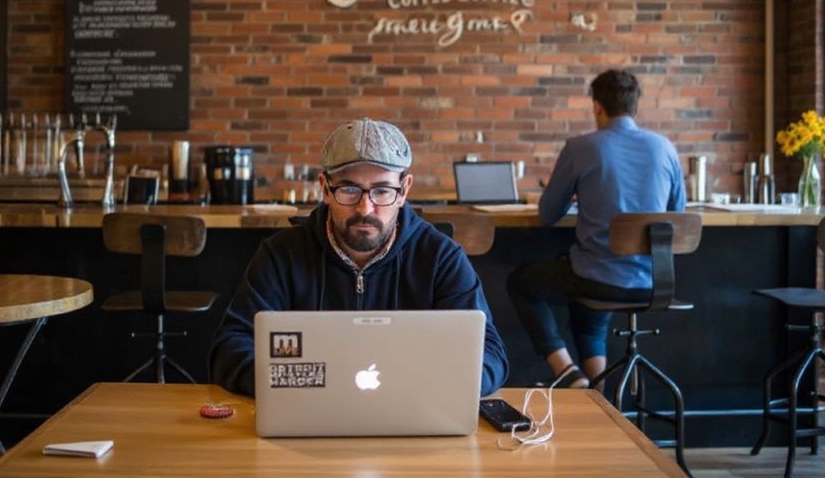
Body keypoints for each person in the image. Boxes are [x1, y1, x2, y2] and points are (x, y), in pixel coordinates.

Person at [209, 117, 509, 397]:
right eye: (350, 190)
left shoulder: (440, 258)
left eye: (382, 191)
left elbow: (491, 355)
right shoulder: (281, 255)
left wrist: (422, 386)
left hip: (412, 423)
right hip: (310, 422)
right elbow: (230, 347)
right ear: (325, 188)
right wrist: (308, 389)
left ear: (404, 191)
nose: (365, 208)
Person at [507, 69, 686, 389]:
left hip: (597, 279)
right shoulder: (665, 148)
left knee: (522, 282)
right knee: (587, 298)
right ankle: (596, 393)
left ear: (597, 107)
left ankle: (566, 370)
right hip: (654, 282)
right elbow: (678, 216)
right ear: (635, 106)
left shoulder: (581, 147)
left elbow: (548, 214)